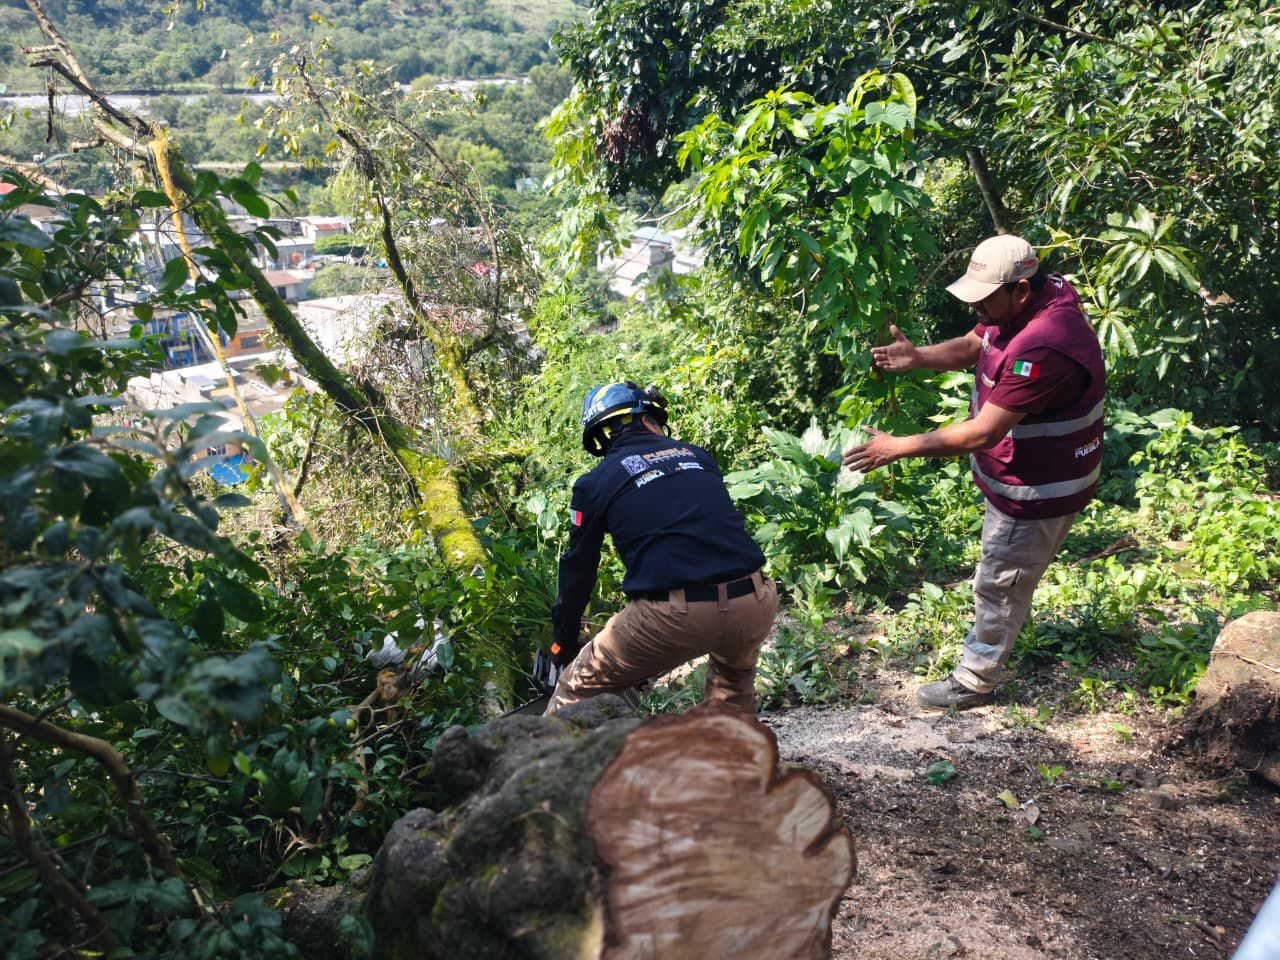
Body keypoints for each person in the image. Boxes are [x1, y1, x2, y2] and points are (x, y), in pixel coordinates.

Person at [842, 235, 1105, 709]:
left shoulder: (1044, 348)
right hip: (1029, 474)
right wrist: (919, 356)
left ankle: (975, 679)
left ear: (1020, 290)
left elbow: (983, 432)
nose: (977, 308)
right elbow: (973, 343)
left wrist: (895, 447)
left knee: (998, 582)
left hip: (1036, 491)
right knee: (1006, 573)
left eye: (984, 297)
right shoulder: (1031, 302)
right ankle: (997, 639)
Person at [542, 381, 779, 716]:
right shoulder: (698, 456)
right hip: (754, 602)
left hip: (674, 617)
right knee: (733, 684)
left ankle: (543, 767)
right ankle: (736, 759)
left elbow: (577, 572)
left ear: (601, 438)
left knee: (573, 689)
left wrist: (563, 642)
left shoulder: (593, 484)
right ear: (649, 419)